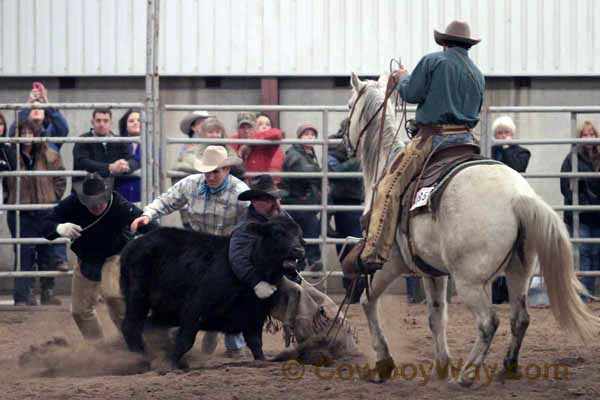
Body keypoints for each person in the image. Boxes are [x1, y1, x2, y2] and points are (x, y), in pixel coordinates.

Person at [349, 20, 485, 272]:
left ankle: (375, 251)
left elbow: (411, 94)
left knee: (387, 187)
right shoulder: (476, 73)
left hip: (433, 139)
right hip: (467, 142)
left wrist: (402, 78)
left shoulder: (433, 61)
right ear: (467, 44)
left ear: (443, 42)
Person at [130, 145, 250, 356]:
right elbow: (167, 200)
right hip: (197, 252)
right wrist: (148, 214)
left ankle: (234, 345)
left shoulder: (240, 194)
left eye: (216, 171)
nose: (211, 176)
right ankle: (180, 336)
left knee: (231, 297)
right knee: (185, 293)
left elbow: (253, 221)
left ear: (227, 170)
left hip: (226, 251)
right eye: (207, 171)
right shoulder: (191, 184)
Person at [42, 173, 157, 340]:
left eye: (100, 201)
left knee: (113, 296)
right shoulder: (72, 204)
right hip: (86, 259)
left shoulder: (119, 205)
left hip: (115, 256)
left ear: (107, 195)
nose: (96, 206)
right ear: (83, 199)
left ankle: (134, 340)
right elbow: (45, 224)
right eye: (91, 203)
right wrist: (59, 228)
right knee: (80, 311)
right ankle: (98, 349)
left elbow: (149, 226)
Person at [6, 121, 66, 306]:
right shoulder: (11, 156)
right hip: (21, 212)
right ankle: (24, 297)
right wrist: (11, 198)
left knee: (47, 252)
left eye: (30, 132)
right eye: (22, 132)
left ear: (37, 134)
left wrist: (52, 196)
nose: (26, 136)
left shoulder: (50, 155)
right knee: (24, 254)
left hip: (45, 210)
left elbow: (61, 178)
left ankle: (47, 294)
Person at [490, 115, 531, 304]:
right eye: (499, 133)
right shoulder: (489, 153)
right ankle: (496, 292)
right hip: (493, 203)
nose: (503, 136)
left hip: (514, 203)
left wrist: (505, 149)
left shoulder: (523, 153)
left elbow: (517, 168)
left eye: (506, 133)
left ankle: (514, 292)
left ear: (513, 135)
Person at [560, 121, 600, 299]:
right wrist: (583, 202)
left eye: (592, 134)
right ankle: (585, 295)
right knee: (583, 252)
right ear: (579, 137)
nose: (589, 138)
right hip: (581, 214)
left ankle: (591, 292)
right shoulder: (572, 158)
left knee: (596, 252)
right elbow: (565, 187)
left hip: (597, 214)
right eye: (585, 134)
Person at [327, 119, 366, 303]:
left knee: (359, 245)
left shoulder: (363, 143)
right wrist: (357, 160)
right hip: (343, 201)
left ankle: (359, 289)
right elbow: (334, 170)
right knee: (347, 247)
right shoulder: (334, 144)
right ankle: (351, 290)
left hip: (361, 200)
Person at [280, 124, 323, 271]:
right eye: (306, 134)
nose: (310, 137)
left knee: (310, 226)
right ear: (299, 138)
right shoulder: (294, 154)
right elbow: (307, 172)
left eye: (312, 134)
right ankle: (311, 259)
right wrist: (322, 172)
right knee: (308, 226)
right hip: (293, 201)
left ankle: (308, 260)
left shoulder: (308, 153)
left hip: (302, 200)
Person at [73, 108, 140, 182]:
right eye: (98, 121)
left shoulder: (119, 141)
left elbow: (134, 160)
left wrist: (126, 165)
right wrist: (109, 167)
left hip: (111, 190)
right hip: (85, 190)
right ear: (92, 122)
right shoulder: (83, 140)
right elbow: (82, 162)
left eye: (105, 121)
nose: (102, 124)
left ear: (111, 123)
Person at [9, 82, 69, 152]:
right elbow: (12, 132)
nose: (37, 110)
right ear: (28, 113)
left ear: (45, 113)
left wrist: (46, 102)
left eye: (40, 108)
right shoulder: (23, 131)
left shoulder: (51, 132)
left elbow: (63, 128)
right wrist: (29, 103)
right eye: (33, 108)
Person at [230, 112, 284, 183]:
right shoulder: (232, 142)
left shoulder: (264, 144)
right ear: (238, 129)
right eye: (242, 127)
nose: (246, 131)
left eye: (249, 127)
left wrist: (250, 143)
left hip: (260, 187)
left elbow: (278, 134)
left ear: (255, 128)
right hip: (238, 186)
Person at [115, 109, 142, 202]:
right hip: (121, 194)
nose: (136, 123)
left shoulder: (152, 145)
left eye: (139, 120)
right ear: (125, 126)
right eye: (131, 121)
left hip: (144, 195)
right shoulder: (117, 143)